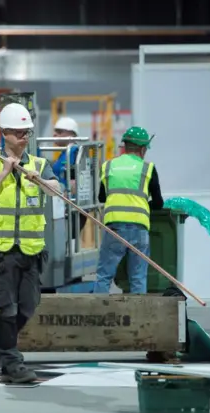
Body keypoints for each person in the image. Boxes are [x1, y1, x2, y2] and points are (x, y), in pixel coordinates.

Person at [0, 102, 61, 384]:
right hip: (0, 250)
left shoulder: (40, 164)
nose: (24, 137)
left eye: (27, 133)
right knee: (5, 307)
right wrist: (4, 173)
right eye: (19, 133)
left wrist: (44, 182)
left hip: (31, 250)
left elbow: (57, 189)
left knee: (27, 306)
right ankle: (13, 363)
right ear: (5, 133)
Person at [93, 126, 164, 295]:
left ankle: (96, 316)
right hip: (139, 228)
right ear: (142, 149)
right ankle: (139, 318)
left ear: (125, 146)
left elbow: (101, 197)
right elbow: (159, 202)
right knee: (138, 277)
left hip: (114, 227)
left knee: (104, 275)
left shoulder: (108, 166)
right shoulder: (148, 168)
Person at [50, 116, 88, 239]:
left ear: (71, 134)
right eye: (55, 131)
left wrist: (67, 197)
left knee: (66, 243)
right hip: (61, 206)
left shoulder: (75, 153)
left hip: (70, 209)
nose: (55, 134)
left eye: (59, 132)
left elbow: (76, 182)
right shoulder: (65, 153)